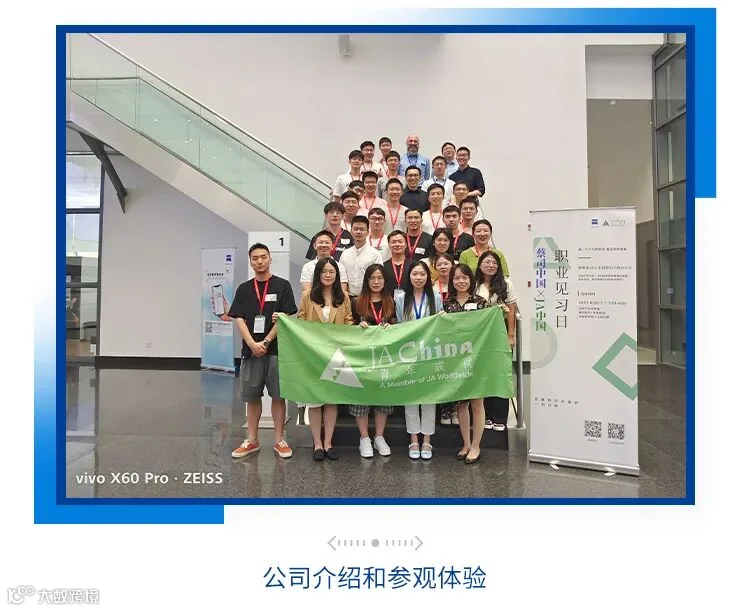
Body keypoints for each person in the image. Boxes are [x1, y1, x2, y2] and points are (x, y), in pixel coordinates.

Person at [229, 243, 298, 460]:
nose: (259, 261)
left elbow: (285, 317)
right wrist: (252, 343)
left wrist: (266, 342)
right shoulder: (243, 289)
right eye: (255, 258)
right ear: (251, 261)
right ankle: (252, 440)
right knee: (252, 397)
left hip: (276, 350)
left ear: (270, 259)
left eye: (263, 257)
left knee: (278, 396)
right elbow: (239, 319)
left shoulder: (282, 286)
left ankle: (279, 440)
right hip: (251, 351)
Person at [297, 257, 354, 461]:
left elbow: (348, 320)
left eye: (331, 272)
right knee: (314, 401)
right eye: (324, 271)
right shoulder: (307, 296)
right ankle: (317, 444)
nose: (328, 275)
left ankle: (328, 442)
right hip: (314, 355)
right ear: (317, 274)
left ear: (337, 275)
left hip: (337, 354)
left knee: (331, 400)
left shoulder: (343, 297)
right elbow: (301, 320)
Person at [395, 260, 444, 460]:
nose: (418, 278)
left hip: (429, 354)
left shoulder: (436, 297)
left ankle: (427, 440)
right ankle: (414, 439)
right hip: (408, 353)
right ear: (409, 276)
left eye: (422, 274)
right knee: (411, 397)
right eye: (415, 274)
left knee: (429, 397)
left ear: (428, 277)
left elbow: (439, 325)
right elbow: (400, 325)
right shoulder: (401, 298)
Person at [442, 263, 489, 464]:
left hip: (477, 358)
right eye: (457, 278)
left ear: (471, 279)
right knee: (461, 404)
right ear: (451, 281)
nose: (461, 281)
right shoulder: (447, 304)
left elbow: (488, 328)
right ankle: (466, 444)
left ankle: (476, 445)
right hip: (456, 360)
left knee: (477, 402)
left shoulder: (481, 302)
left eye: (465, 277)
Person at [350, 263, 396, 458]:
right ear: (366, 281)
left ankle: (379, 437)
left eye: (380, 278)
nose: (376, 282)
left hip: (384, 359)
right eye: (372, 278)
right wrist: (356, 327)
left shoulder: (391, 302)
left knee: (382, 399)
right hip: (363, 359)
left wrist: (392, 327)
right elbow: (347, 328)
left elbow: (399, 326)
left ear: (385, 281)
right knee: (361, 398)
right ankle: (364, 438)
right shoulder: (357, 302)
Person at [475, 251, 518, 432]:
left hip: (500, 335)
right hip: (481, 337)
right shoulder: (475, 284)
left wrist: (511, 334)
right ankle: (486, 415)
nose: (490, 265)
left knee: (500, 374)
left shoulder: (506, 284)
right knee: (483, 374)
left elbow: (512, 309)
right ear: (480, 265)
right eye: (487, 262)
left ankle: (499, 416)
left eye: (494, 263)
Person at [432, 252, 458, 427]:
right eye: (439, 264)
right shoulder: (432, 287)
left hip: (455, 336)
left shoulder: (458, 284)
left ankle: (455, 410)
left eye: (446, 264)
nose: (443, 267)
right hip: (437, 336)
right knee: (441, 373)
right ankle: (444, 409)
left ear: (452, 265)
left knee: (454, 372)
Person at [338, 215, 383, 300]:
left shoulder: (375, 254)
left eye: (362, 229)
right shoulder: (345, 254)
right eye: (355, 229)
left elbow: (378, 278)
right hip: (348, 298)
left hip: (367, 298)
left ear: (368, 232)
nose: (358, 232)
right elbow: (341, 277)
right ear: (351, 231)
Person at [383, 230, 410, 296]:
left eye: (400, 242)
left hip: (409, 300)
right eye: (393, 242)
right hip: (388, 300)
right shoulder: (383, 266)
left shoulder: (413, 266)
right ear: (389, 245)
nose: (397, 244)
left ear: (406, 244)